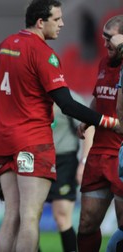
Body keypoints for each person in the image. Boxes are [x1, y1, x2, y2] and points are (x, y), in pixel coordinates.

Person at [0, 0, 121, 251]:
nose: (62, 24)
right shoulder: (43, 53)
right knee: (29, 216)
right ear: (40, 22)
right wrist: (107, 121)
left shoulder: (3, 47)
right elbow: (66, 104)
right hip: (32, 146)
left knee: (11, 215)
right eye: (57, 20)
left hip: (5, 143)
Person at [80, 15, 123, 252]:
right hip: (99, 153)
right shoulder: (103, 63)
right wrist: (87, 120)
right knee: (86, 223)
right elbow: (99, 97)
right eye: (103, 38)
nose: (105, 44)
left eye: (110, 39)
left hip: (121, 154)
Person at [46, 93, 94, 252]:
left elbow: (89, 127)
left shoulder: (68, 97)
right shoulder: (31, 93)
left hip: (63, 162)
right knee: (29, 216)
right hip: (36, 159)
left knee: (61, 217)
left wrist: (84, 162)